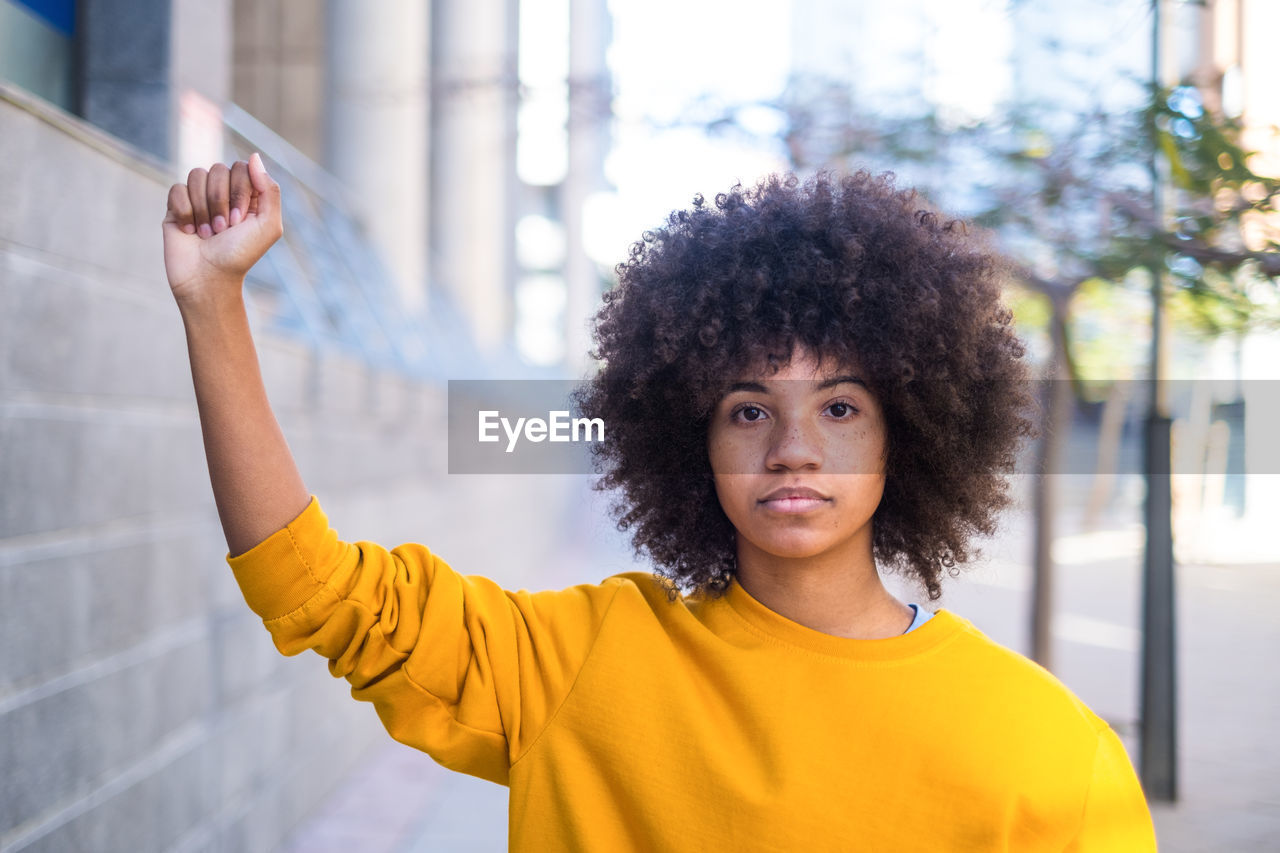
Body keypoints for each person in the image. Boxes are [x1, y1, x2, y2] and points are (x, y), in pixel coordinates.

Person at [162, 156, 1158, 851]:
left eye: (841, 406)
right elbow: (316, 589)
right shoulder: (579, 665)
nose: (792, 448)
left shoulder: (1050, 754)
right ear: (690, 437)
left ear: (915, 429)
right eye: (747, 408)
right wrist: (213, 301)